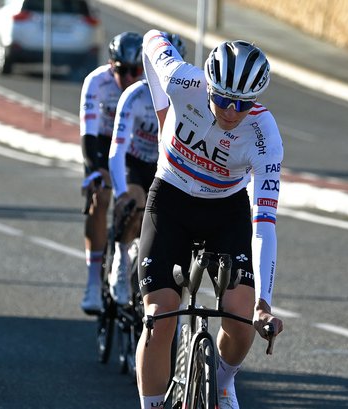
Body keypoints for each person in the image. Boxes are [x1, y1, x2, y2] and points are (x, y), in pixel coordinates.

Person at [136, 30, 285, 409]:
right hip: (170, 199)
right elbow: (151, 40)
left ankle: (221, 381)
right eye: (221, 98)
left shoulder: (265, 135)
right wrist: (162, 112)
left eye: (242, 104)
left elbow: (264, 222)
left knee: (241, 320)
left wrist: (264, 303)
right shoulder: (181, 80)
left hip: (225, 210)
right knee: (159, 318)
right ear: (208, 86)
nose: (231, 111)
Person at [107, 34, 186, 306]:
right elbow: (117, 149)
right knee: (136, 204)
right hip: (135, 163)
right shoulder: (134, 96)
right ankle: (119, 257)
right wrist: (120, 195)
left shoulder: (187, 103)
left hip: (165, 168)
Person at [78, 32, 144, 314]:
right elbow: (88, 135)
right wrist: (95, 172)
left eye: (135, 71)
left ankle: (127, 256)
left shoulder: (149, 90)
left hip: (133, 149)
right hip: (101, 146)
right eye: (122, 70)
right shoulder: (96, 83)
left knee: (137, 203)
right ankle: (93, 281)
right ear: (110, 65)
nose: (128, 78)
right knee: (101, 196)